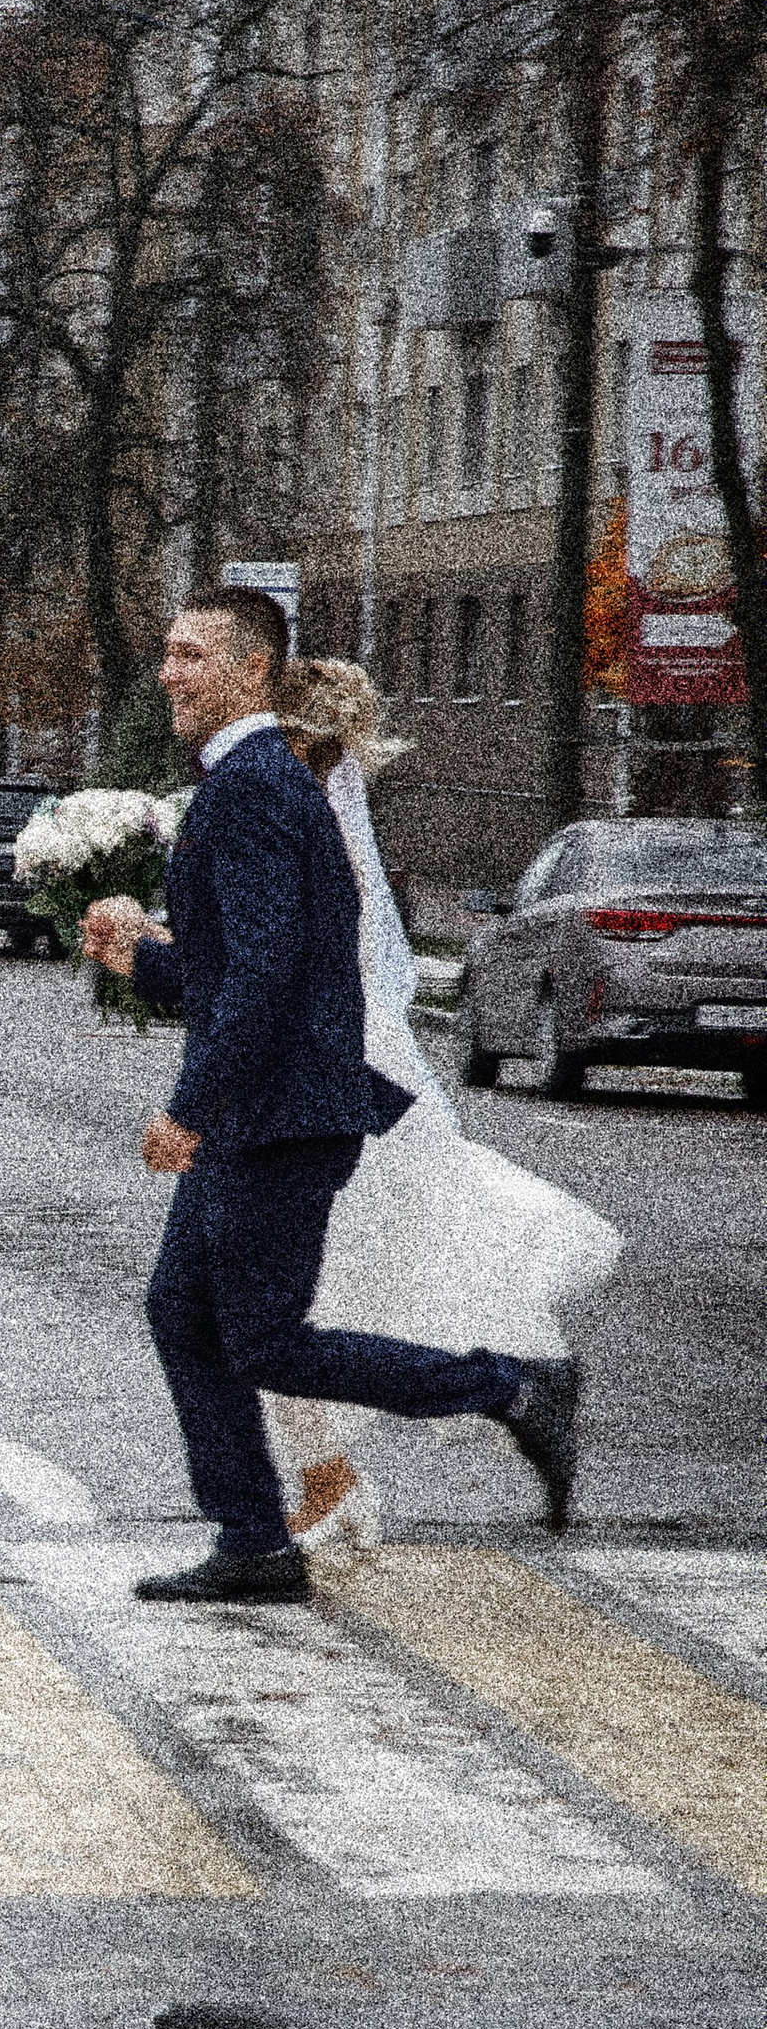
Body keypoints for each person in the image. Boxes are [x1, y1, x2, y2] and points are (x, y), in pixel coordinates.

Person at [81, 590, 576, 1605]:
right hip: (266, 1110)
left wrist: (190, 1106)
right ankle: (253, 1539)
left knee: (262, 1338)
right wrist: (140, 962)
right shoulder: (247, 779)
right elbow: (249, 970)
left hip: (280, 1114)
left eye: (192, 656)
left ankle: (509, 1387)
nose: (170, 675)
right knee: (182, 1314)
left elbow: (265, 978)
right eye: (168, 654)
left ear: (252, 670)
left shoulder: (256, 784)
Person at [260, 658, 620, 1559]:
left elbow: (300, 959)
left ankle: (494, 1394)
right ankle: (338, 1476)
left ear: (295, 739)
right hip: (335, 1063)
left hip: (329, 1070)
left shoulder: (302, 825)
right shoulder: (302, 815)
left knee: (293, 1292)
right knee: (299, 1290)